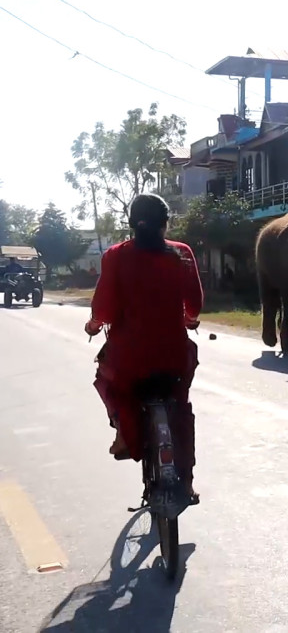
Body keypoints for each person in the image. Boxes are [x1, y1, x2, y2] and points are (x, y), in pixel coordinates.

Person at [85, 193, 204, 502]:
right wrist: (189, 320)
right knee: (180, 406)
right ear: (166, 224)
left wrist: (94, 325)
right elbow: (194, 305)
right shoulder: (183, 254)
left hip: (130, 359)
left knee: (109, 383)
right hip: (173, 356)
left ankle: (125, 434)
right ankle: (187, 481)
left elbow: (104, 310)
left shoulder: (115, 255)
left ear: (131, 225)